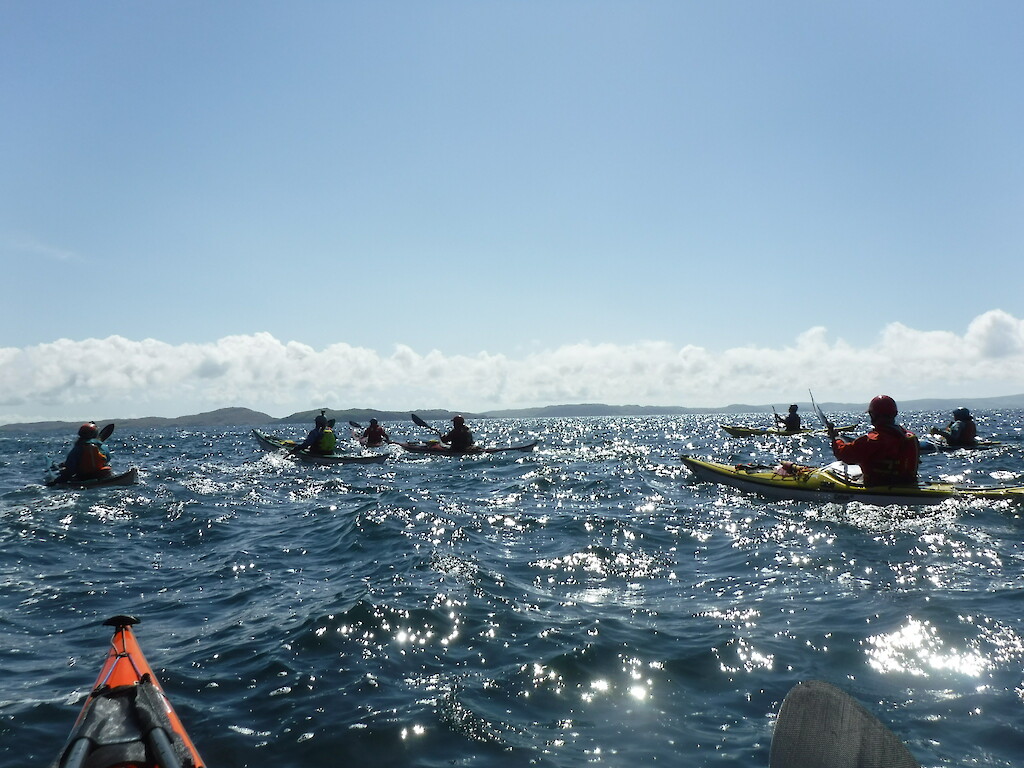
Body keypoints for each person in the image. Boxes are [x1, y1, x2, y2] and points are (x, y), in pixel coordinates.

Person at [828, 395, 919, 486]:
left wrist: (836, 439)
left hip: (878, 487)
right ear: (894, 414)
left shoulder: (872, 440)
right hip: (908, 485)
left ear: (873, 415)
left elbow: (844, 455)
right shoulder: (910, 437)